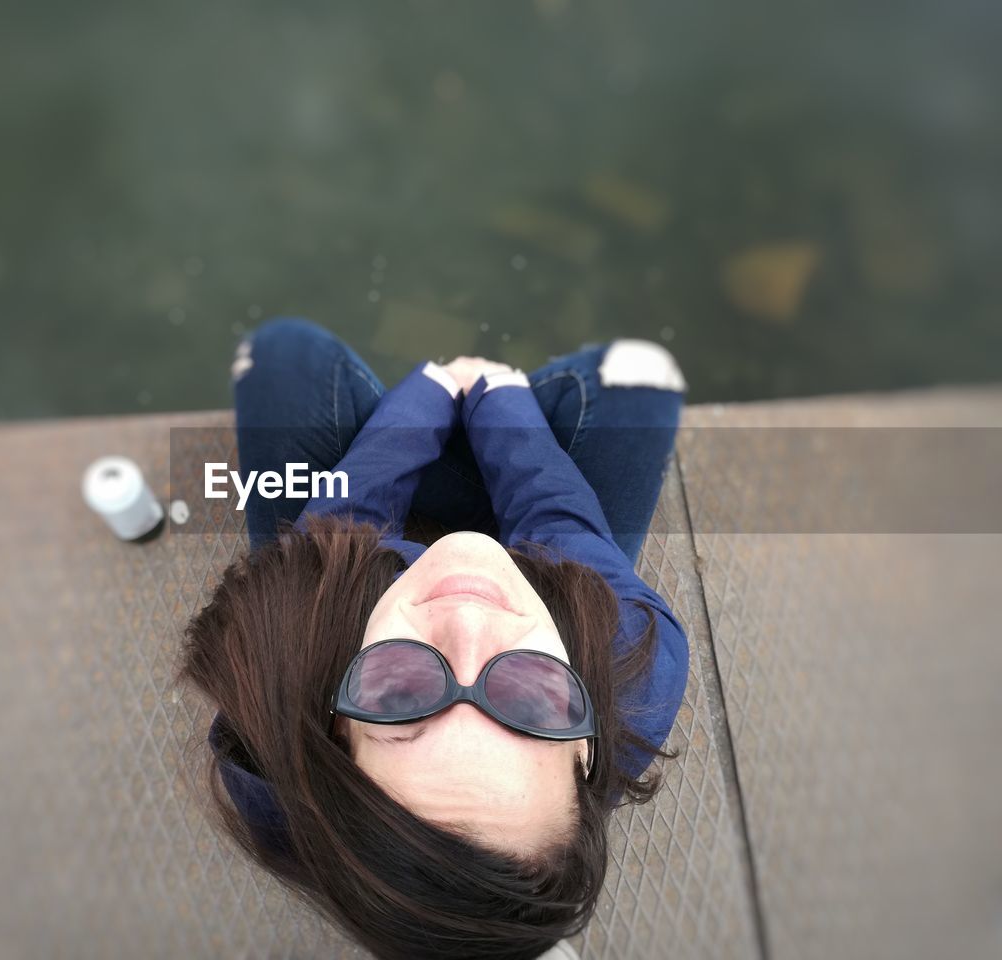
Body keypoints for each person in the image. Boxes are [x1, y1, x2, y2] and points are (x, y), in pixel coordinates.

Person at [176, 318, 690, 960]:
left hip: (360, 566)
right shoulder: (634, 660)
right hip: (543, 561)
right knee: (637, 377)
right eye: (533, 699)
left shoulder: (281, 684)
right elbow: (558, 518)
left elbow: (348, 516)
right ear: (585, 751)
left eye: (401, 692)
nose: (470, 623)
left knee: (282, 357)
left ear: (335, 725)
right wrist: (493, 394)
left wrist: (431, 390)